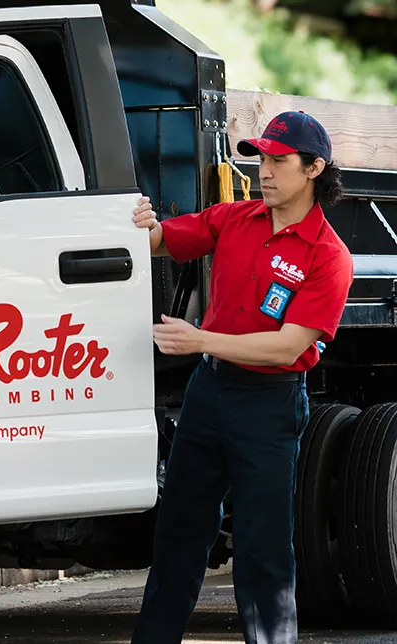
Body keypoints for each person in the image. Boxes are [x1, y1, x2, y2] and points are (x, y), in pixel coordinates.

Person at [129, 111, 353, 644]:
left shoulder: (328, 256)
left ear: (314, 168)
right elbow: (159, 240)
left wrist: (201, 339)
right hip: (209, 394)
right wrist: (137, 220)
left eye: (279, 160)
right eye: (260, 158)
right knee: (180, 532)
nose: (264, 171)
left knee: (263, 547)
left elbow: (288, 346)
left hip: (269, 403)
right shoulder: (233, 218)